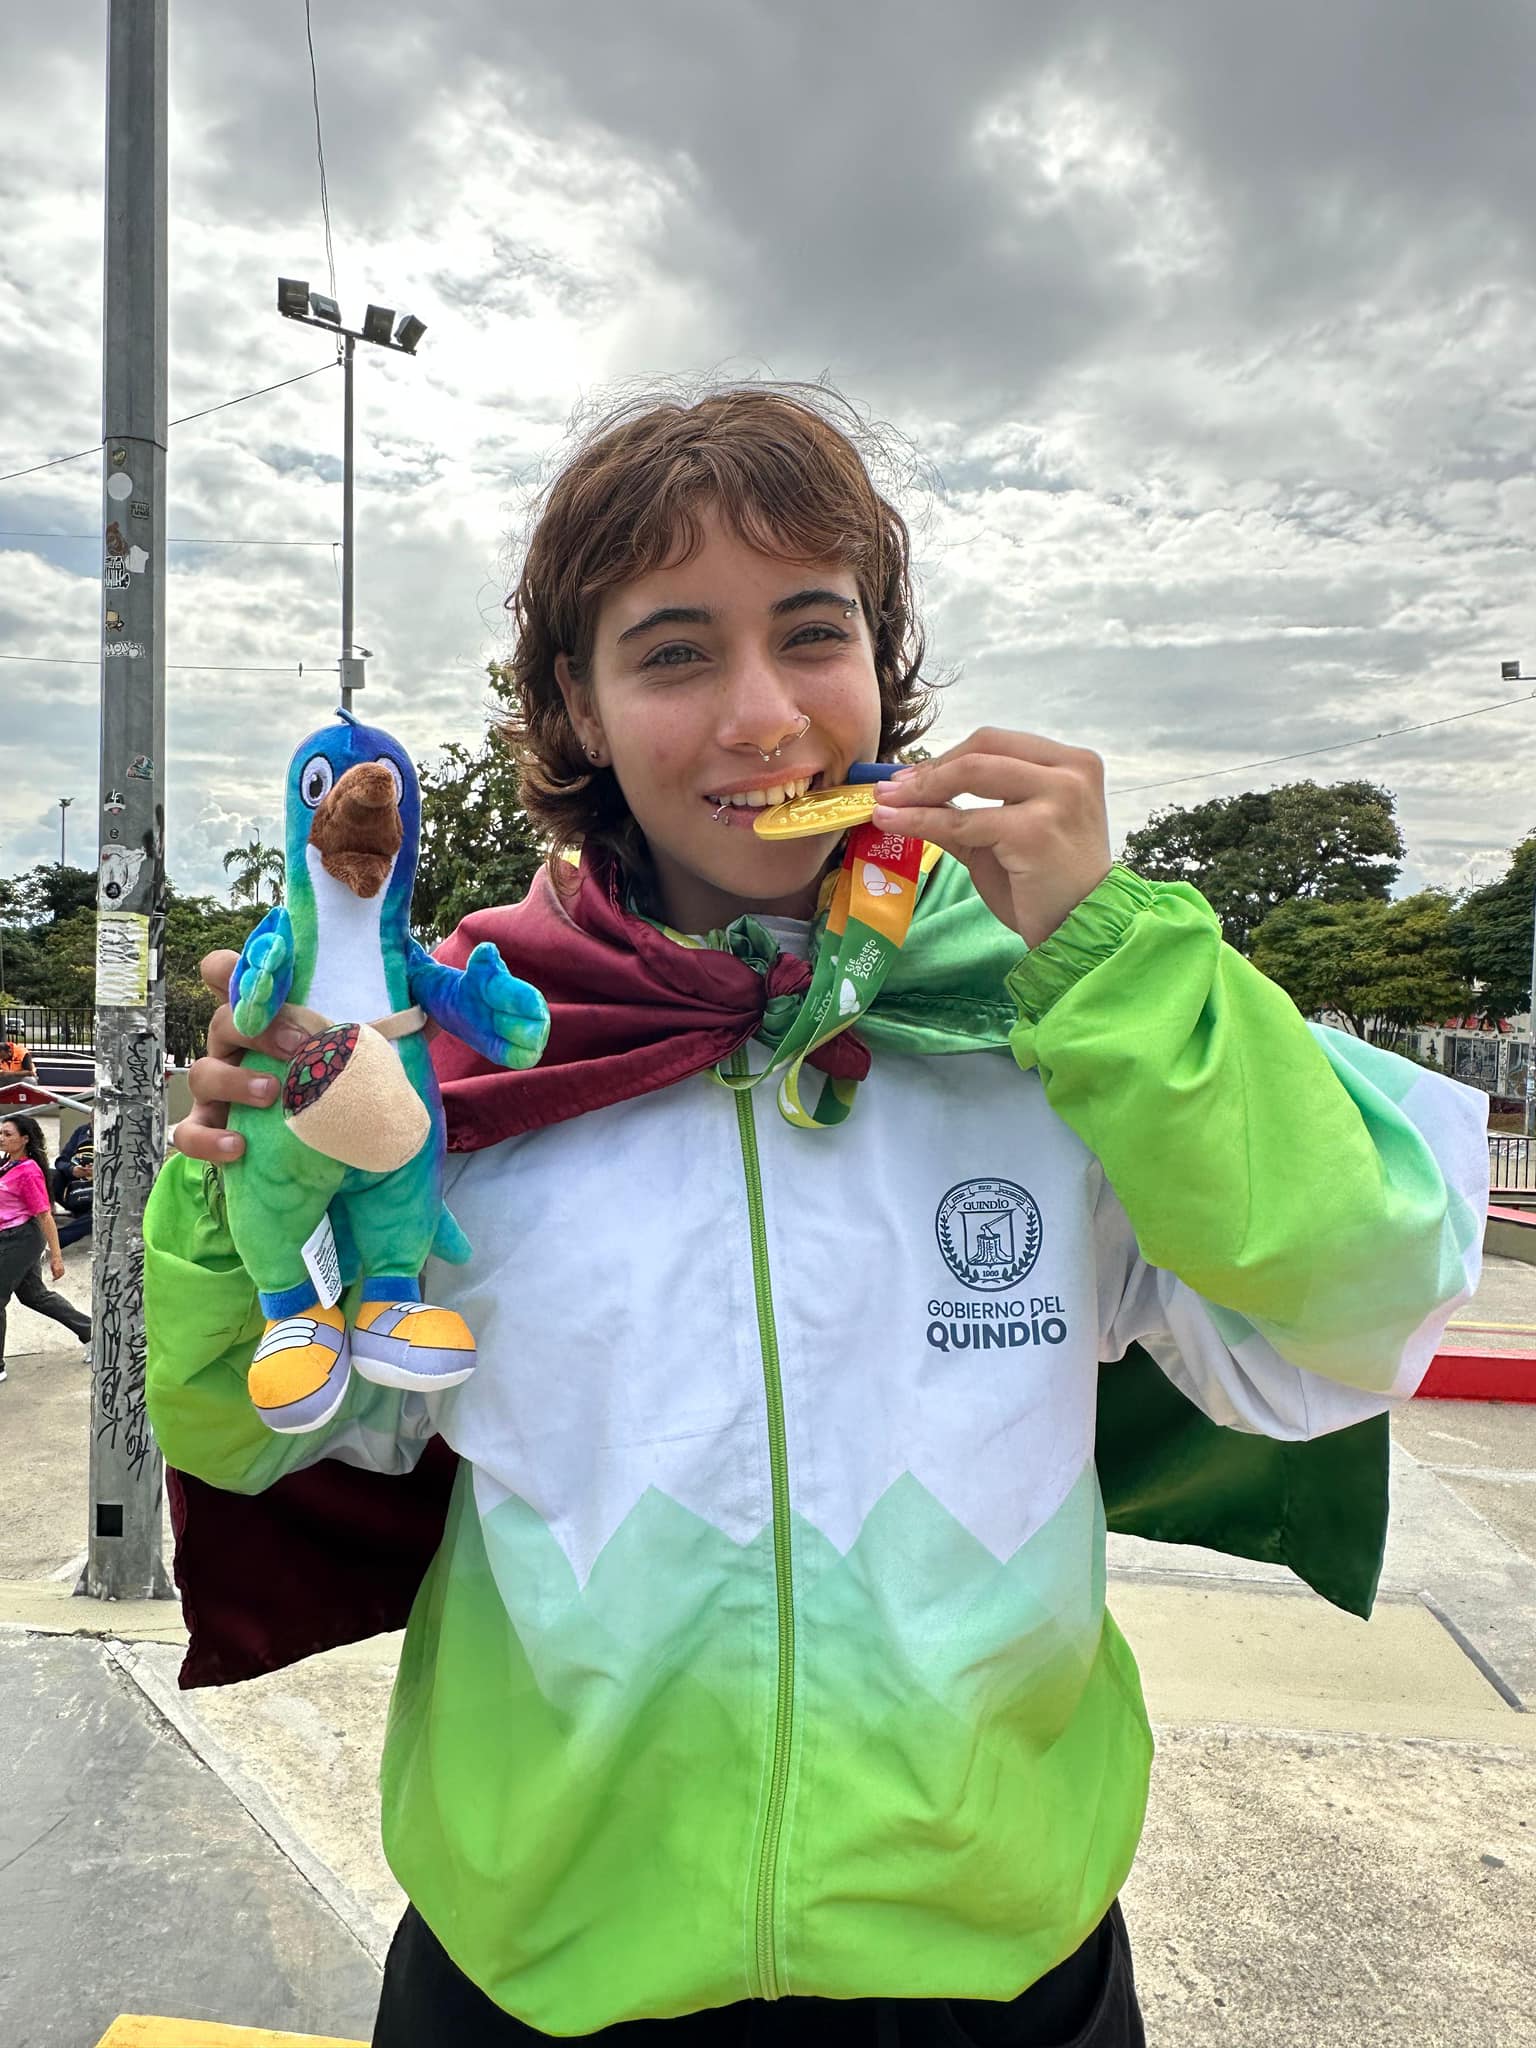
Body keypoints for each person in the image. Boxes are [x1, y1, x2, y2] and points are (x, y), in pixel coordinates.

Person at [145, 387, 1488, 2047]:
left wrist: (1129, 968)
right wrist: (236, 1187)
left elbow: (1358, 1300)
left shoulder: (1064, 1014)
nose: (763, 714)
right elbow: (253, 1426)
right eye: (674, 652)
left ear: (883, 659)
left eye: (811, 631)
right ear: (578, 699)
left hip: (1001, 1982)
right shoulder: (455, 1059)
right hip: (539, 1977)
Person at [0, 1113, 91, 1384]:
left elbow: (44, 1215)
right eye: (1, 1133)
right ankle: (90, 1332)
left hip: (21, 1239)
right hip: (9, 1237)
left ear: (25, 1139)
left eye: (8, 1134)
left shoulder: (28, 1171)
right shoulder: (7, 1165)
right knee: (34, 1296)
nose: (2, 1138)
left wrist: (57, 1256)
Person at [49, 1122, 94, 1249]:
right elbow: (61, 1161)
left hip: (100, 1196)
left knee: (95, 1216)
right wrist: (72, 1170)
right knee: (47, 1174)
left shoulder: (117, 1135)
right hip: (75, 1189)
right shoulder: (82, 1131)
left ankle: (56, 1241)